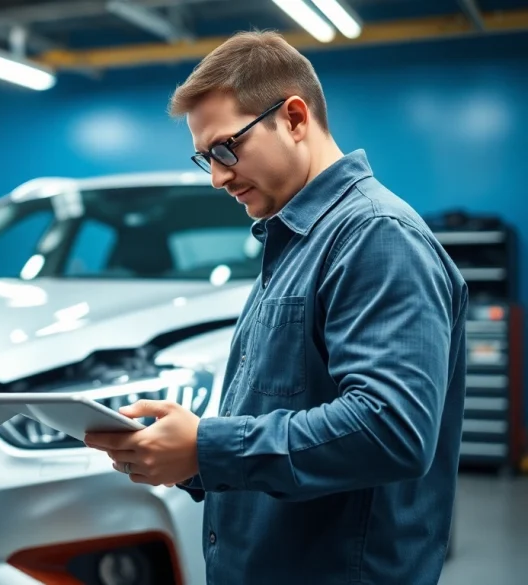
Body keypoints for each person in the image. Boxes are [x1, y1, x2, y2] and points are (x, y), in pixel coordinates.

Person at [84, 30, 468, 585]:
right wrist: (186, 450)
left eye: (225, 149)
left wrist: (207, 449)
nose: (217, 177)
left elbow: (392, 428)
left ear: (293, 118)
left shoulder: (375, 237)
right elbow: (288, 401)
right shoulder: (293, 240)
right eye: (204, 158)